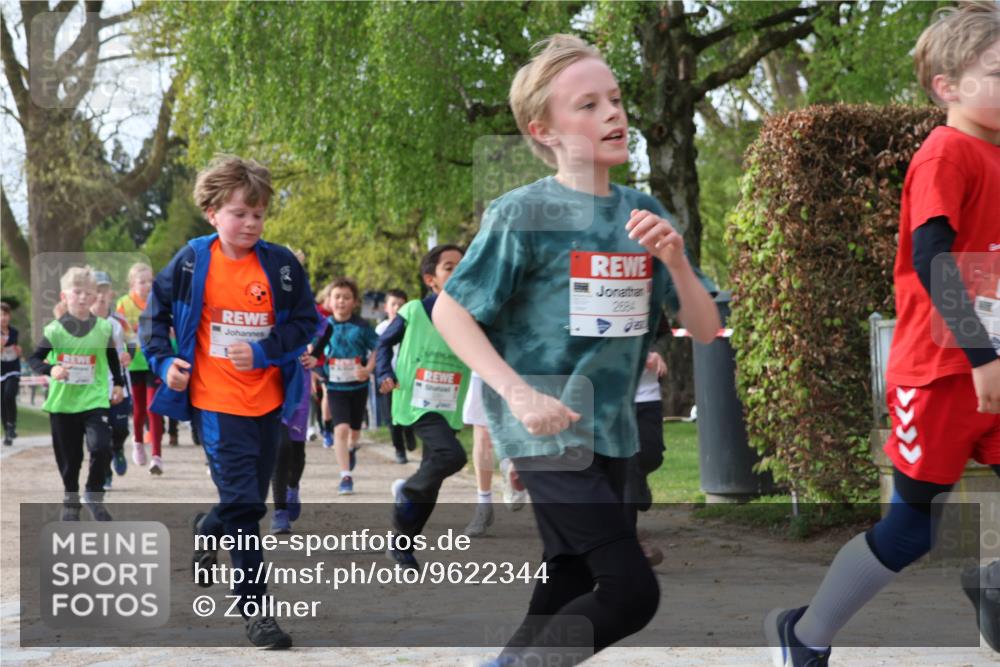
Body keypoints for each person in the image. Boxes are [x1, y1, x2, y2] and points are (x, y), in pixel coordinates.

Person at [432, 34, 720, 666]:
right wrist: (517, 392)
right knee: (629, 592)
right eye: (587, 105)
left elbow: (702, 327)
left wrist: (675, 260)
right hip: (545, 430)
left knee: (566, 577)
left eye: (614, 99)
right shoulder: (523, 212)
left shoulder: (644, 212)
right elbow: (451, 310)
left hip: (612, 430)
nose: (613, 113)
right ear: (545, 130)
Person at [765, 5, 1000, 664]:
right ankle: (804, 634)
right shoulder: (945, 152)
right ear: (946, 87)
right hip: (941, 376)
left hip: (991, 369)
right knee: (910, 531)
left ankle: (991, 586)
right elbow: (933, 260)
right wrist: (982, 357)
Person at [141, 154, 318, 649]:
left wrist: (264, 350)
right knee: (246, 509)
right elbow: (153, 319)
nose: (250, 224)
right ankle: (256, 612)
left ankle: (207, 526)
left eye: (258, 214)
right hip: (215, 402)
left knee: (246, 502)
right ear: (212, 212)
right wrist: (161, 363)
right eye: (239, 213)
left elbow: (306, 323)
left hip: (269, 404)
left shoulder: (281, 265)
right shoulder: (192, 261)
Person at [374, 244, 471, 569]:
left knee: (433, 481)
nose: (458, 272)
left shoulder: (471, 314)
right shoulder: (413, 310)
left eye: (462, 265)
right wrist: (384, 372)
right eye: (449, 267)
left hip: (449, 404)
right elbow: (384, 342)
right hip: (416, 401)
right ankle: (407, 490)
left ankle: (402, 543)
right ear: (432, 279)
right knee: (452, 456)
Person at [28, 267, 125, 521]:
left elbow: (112, 358)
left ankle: (93, 494)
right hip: (63, 404)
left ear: (95, 297)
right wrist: (53, 368)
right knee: (70, 459)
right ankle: (71, 499)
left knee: (102, 447)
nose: (82, 298)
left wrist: (119, 383)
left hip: (94, 401)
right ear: (64, 296)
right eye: (77, 292)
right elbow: (34, 359)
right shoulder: (55, 331)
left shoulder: (104, 329)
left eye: (88, 293)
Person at [309, 277, 377, 495]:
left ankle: (352, 448)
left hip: (358, 386)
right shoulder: (324, 326)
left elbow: (377, 348)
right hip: (335, 386)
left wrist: (368, 369)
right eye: (337, 297)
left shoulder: (362, 326)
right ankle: (345, 476)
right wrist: (312, 371)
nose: (341, 302)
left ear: (355, 302)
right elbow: (313, 349)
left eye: (346, 298)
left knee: (354, 433)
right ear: (329, 300)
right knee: (341, 429)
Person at [461, 370, 528, 538]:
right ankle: (484, 505)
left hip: (521, 365)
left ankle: (511, 465)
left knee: (520, 422)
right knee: (483, 432)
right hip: (485, 365)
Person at [117, 262, 165, 474]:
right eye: (142, 282)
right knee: (138, 411)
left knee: (153, 408)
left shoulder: (158, 301)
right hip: (134, 362)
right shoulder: (124, 304)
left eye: (150, 281)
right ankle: (138, 442)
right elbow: (118, 331)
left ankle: (157, 456)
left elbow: (165, 324)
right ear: (132, 284)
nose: (147, 285)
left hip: (154, 360)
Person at [91, 271, 132, 488]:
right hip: (93, 387)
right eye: (96, 290)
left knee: (120, 428)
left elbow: (134, 340)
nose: (100, 295)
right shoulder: (82, 321)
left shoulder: (119, 321)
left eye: (104, 290)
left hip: (118, 384)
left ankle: (119, 448)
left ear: (110, 293)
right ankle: (105, 473)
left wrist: (129, 355)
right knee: (99, 436)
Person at [626, 349, 667, 566]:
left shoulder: (653, 314)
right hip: (612, 396)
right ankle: (628, 544)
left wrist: (656, 353)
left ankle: (639, 479)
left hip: (647, 392)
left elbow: (659, 335)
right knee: (627, 467)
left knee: (652, 456)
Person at [375, 288, 417, 463]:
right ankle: (399, 449)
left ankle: (409, 433)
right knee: (390, 417)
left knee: (406, 412)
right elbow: (376, 353)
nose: (397, 308)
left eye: (401, 305)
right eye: (394, 304)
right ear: (386, 307)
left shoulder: (411, 328)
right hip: (387, 377)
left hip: (406, 377)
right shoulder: (381, 329)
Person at [1, 302, 22, 446]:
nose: (3, 318)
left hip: (13, 368)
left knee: (9, 394)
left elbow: (16, 347)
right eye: (0, 315)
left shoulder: (14, 332)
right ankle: (7, 433)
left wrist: (18, 350)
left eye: (5, 314)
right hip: (1, 370)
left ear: (9, 316)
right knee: (2, 402)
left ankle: (12, 424)